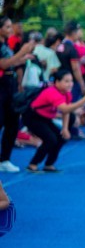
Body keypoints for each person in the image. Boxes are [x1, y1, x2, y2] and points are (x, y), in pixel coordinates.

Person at [23, 71, 85, 172]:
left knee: (61, 138)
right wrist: (84, 100)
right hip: (33, 117)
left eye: (71, 81)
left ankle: (49, 164)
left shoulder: (67, 93)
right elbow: (65, 109)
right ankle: (33, 164)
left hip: (46, 117)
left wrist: (65, 129)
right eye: (66, 81)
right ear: (57, 82)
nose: (70, 84)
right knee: (50, 139)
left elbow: (67, 112)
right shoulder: (52, 92)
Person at [0, 17, 36, 172]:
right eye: (7, 27)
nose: (11, 29)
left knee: (12, 122)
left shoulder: (5, 44)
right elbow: (3, 64)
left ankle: (5, 159)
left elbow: (11, 62)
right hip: (2, 85)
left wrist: (23, 57)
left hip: (10, 83)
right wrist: (22, 52)